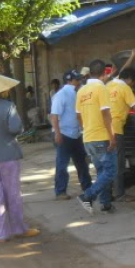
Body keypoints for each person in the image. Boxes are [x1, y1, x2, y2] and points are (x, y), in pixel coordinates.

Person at [0, 73, 41, 243]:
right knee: (12, 193)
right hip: (7, 155)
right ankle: (19, 229)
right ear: (0, 91)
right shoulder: (8, 106)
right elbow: (15, 128)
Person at [75, 59, 117, 214]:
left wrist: (86, 128)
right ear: (104, 73)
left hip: (88, 137)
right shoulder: (101, 89)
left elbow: (78, 115)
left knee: (101, 172)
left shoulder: (81, 91)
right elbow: (106, 114)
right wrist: (112, 137)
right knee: (110, 171)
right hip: (101, 137)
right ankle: (87, 196)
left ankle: (105, 204)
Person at [50, 69, 92, 201]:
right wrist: (57, 134)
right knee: (63, 164)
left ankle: (88, 187)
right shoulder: (61, 94)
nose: (79, 81)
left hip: (76, 133)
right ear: (70, 80)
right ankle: (60, 191)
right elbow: (54, 116)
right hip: (64, 134)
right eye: (77, 79)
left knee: (82, 163)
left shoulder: (78, 92)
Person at [107, 67, 135, 201]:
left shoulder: (109, 85)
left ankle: (107, 193)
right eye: (133, 83)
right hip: (116, 128)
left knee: (108, 162)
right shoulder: (125, 88)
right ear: (129, 79)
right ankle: (120, 194)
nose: (133, 85)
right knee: (119, 163)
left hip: (104, 128)